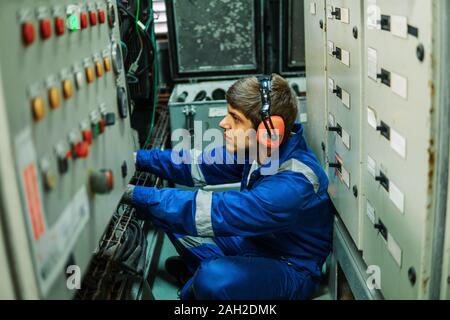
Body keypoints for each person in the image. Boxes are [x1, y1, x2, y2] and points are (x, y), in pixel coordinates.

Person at [123, 74, 333, 300]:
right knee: (172, 215)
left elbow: (217, 212)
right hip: (254, 240)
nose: (223, 123)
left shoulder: (293, 185)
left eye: (235, 117)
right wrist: (136, 158)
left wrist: (132, 194)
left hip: (290, 267)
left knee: (212, 277)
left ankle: (203, 280)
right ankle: (211, 278)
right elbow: (197, 164)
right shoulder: (262, 150)